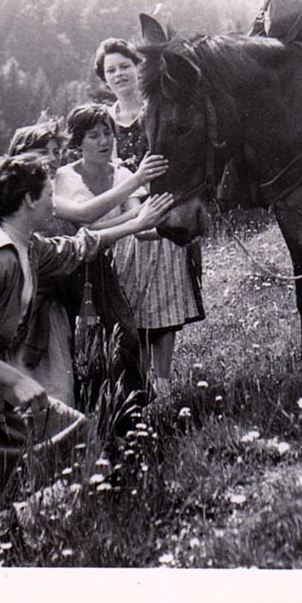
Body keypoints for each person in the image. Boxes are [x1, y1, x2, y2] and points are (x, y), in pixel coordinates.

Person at [0, 154, 172, 566]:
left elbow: (79, 247)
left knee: (78, 435)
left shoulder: (27, 247)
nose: (54, 203)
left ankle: (18, 534)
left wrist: (134, 224)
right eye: (48, 195)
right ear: (28, 201)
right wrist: (13, 380)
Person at [93, 38, 205, 400]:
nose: (119, 74)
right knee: (132, 299)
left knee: (166, 294)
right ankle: (139, 384)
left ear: (137, 67)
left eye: (124, 66)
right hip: (124, 215)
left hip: (160, 204)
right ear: (103, 78)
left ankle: (164, 380)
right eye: (111, 70)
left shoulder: (154, 108)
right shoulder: (105, 121)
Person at [52, 102, 169, 410]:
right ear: (78, 142)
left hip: (103, 268)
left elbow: (142, 227)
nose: (104, 141)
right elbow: (85, 223)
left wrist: (176, 227)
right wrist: (135, 216)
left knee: (125, 339)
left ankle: (132, 413)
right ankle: (93, 414)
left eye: (108, 133)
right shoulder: (64, 177)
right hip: (67, 272)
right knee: (80, 349)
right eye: (93, 135)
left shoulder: (123, 173)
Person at [6, 118, 76, 404]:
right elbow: (84, 216)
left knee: (57, 386)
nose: (52, 158)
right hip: (25, 309)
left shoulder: (56, 190)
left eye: (57, 152)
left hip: (57, 302)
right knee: (42, 388)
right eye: (44, 151)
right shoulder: (22, 196)